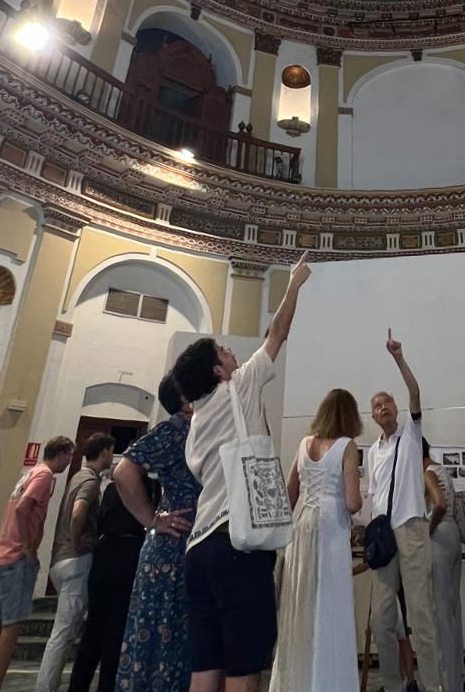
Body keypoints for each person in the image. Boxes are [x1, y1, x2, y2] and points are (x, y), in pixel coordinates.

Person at [172, 254, 312, 692]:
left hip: (198, 550)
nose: (232, 351)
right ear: (218, 370)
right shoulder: (240, 386)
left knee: (205, 669)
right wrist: (295, 284)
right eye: (224, 351)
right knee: (242, 668)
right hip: (238, 544)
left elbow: (198, 473)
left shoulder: (196, 421)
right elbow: (278, 333)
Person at [269, 389, 363, 692]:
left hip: (302, 526)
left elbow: (289, 491)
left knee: (299, 603)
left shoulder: (304, 443)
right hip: (331, 529)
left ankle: (294, 681)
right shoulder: (347, 446)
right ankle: (328, 682)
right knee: (330, 608)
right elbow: (352, 502)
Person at [366, 332, 444, 692]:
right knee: (382, 620)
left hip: (411, 530)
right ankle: (395, 685)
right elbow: (373, 496)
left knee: (421, 616)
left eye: (387, 403)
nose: (382, 409)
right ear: (372, 415)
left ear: (396, 408)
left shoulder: (411, 435)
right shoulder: (371, 450)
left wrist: (399, 357)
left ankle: (430, 686)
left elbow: (415, 391)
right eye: (376, 406)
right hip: (384, 537)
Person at [0, 436, 76, 692]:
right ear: (61, 454)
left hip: (2, 556)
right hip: (17, 559)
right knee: (11, 628)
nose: (68, 462)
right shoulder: (43, 477)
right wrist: (28, 547)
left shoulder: (29, 473)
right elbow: (22, 508)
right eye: (69, 457)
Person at [114, 376, 198, 692]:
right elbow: (124, 470)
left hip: (183, 544)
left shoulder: (193, 429)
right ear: (184, 398)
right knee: (168, 634)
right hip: (172, 548)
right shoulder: (176, 430)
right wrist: (152, 519)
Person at [39, 434, 116, 692]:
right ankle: (45, 687)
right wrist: (78, 540)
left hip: (60, 560)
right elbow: (78, 511)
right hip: (75, 560)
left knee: (65, 631)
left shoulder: (76, 476)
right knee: (63, 633)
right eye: (110, 452)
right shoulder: (91, 482)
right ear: (104, 452)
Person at [70, 473, 146, 692]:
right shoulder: (145, 487)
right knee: (116, 628)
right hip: (127, 555)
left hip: (103, 554)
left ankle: (78, 685)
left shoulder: (111, 489)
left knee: (93, 628)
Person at [422, 439, 465, 692]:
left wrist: (425, 530)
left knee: (440, 613)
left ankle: (447, 683)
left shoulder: (427, 473)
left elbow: (439, 504)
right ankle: (457, 678)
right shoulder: (441, 470)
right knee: (452, 608)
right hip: (451, 538)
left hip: (437, 536)